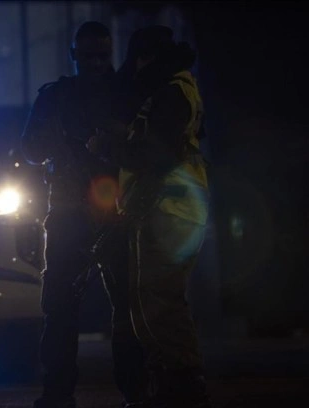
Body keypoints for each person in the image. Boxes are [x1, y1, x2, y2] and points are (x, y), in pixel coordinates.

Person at [21, 21, 148, 408]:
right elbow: (31, 149)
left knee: (126, 308)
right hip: (72, 212)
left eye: (101, 56)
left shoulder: (125, 93)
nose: (95, 63)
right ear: (75, 55)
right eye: (88, 56)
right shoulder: (58, 97)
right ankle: (60, 393)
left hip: (113, 213)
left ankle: (134, 391)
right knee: (61, 308)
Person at [97, 25, 212, 408]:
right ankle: (171, 385)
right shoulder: (177, 88)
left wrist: (111, 147)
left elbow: (154, 154)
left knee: (160, 302)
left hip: (167, 208)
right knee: (154, 301)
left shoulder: (171, 92)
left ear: (145, 57)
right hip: (166, 207)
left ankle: (184, 386)